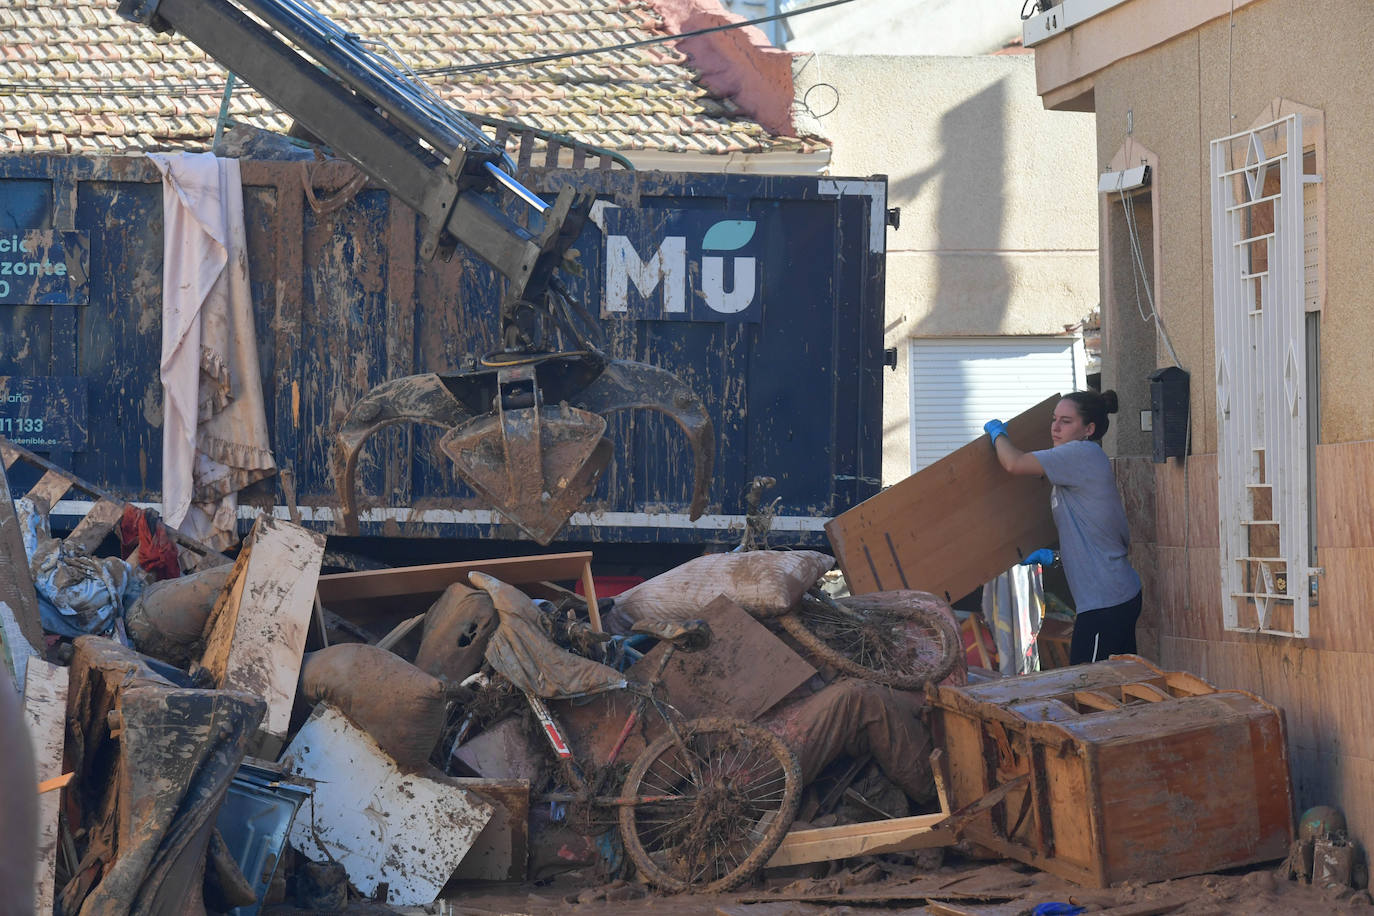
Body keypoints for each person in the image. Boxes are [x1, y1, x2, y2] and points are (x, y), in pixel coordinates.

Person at [983, 390, 1142, 665]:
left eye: (1066, 421)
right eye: (1054, 419)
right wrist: (1055, 557)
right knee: (1115, 685)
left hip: (1106, 601)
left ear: (1088, 429)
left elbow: (1013, 463)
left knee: (1089, 684)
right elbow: (1090, 533)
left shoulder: (1080, 453)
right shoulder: (1079, 461)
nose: (1055, 428)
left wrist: (997, 434)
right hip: (1111, 596)